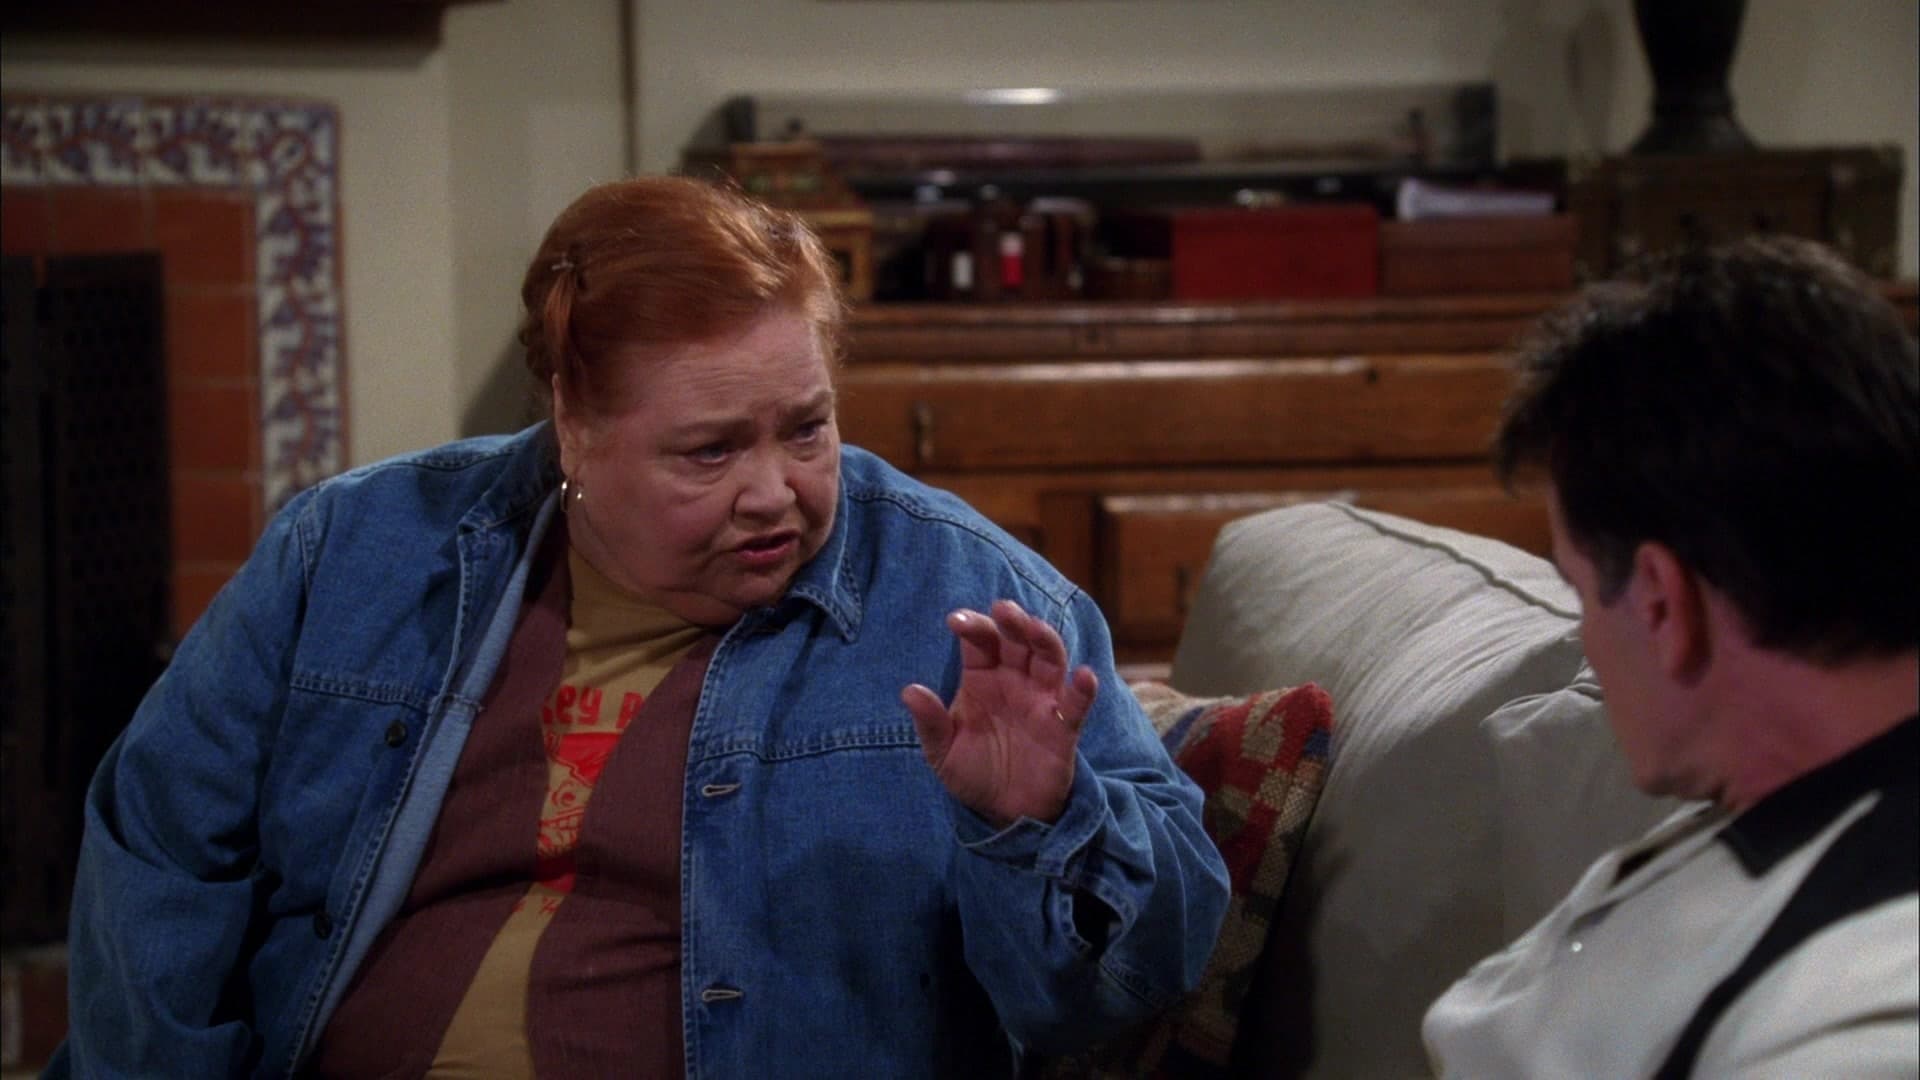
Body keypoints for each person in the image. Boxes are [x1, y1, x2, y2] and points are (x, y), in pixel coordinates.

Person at [49, 175, 1230, 1078]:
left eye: (806, 430)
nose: (772, 493)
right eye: (709, 452)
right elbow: (158, 847)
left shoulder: (973, 599)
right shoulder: (353, 550)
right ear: (573, 422)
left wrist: (1037, 828)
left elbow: (1128, 989)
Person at [1423, 236, 1918, 1077]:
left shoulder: (1860, 1012)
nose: (1588, 639)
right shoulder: (1777, 805)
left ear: (1661, 601)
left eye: (1582, 592)